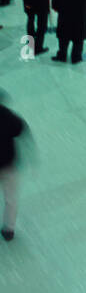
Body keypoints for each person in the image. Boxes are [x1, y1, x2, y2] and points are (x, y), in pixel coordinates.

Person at [0, 93, 28, 242]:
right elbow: (20, 128)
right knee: (11, 198)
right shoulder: (7, 115)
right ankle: (9, 229)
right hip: (8, 164)